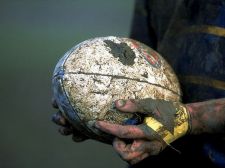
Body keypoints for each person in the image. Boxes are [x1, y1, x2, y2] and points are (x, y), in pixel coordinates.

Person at [52, 0, 225, 167]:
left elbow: (185, 117)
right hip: (163, 155)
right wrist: (97, 112)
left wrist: (193, 117)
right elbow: (139, 68)